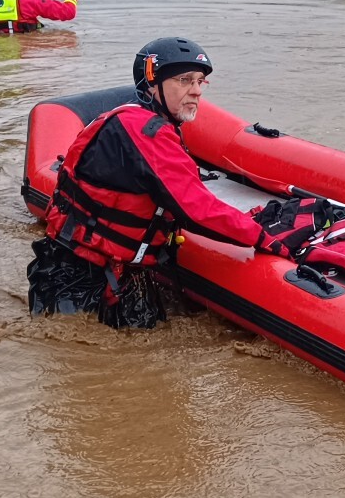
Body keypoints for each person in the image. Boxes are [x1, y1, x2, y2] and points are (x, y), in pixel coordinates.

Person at [30, 38, 290, 328]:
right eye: (184, 80)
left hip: (91, 267)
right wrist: (261, 237)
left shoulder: (133, 121)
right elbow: (197, 209)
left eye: (201, 81)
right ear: (152, 85)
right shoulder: (145, 133)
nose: (196, 91)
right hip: (85, 277)